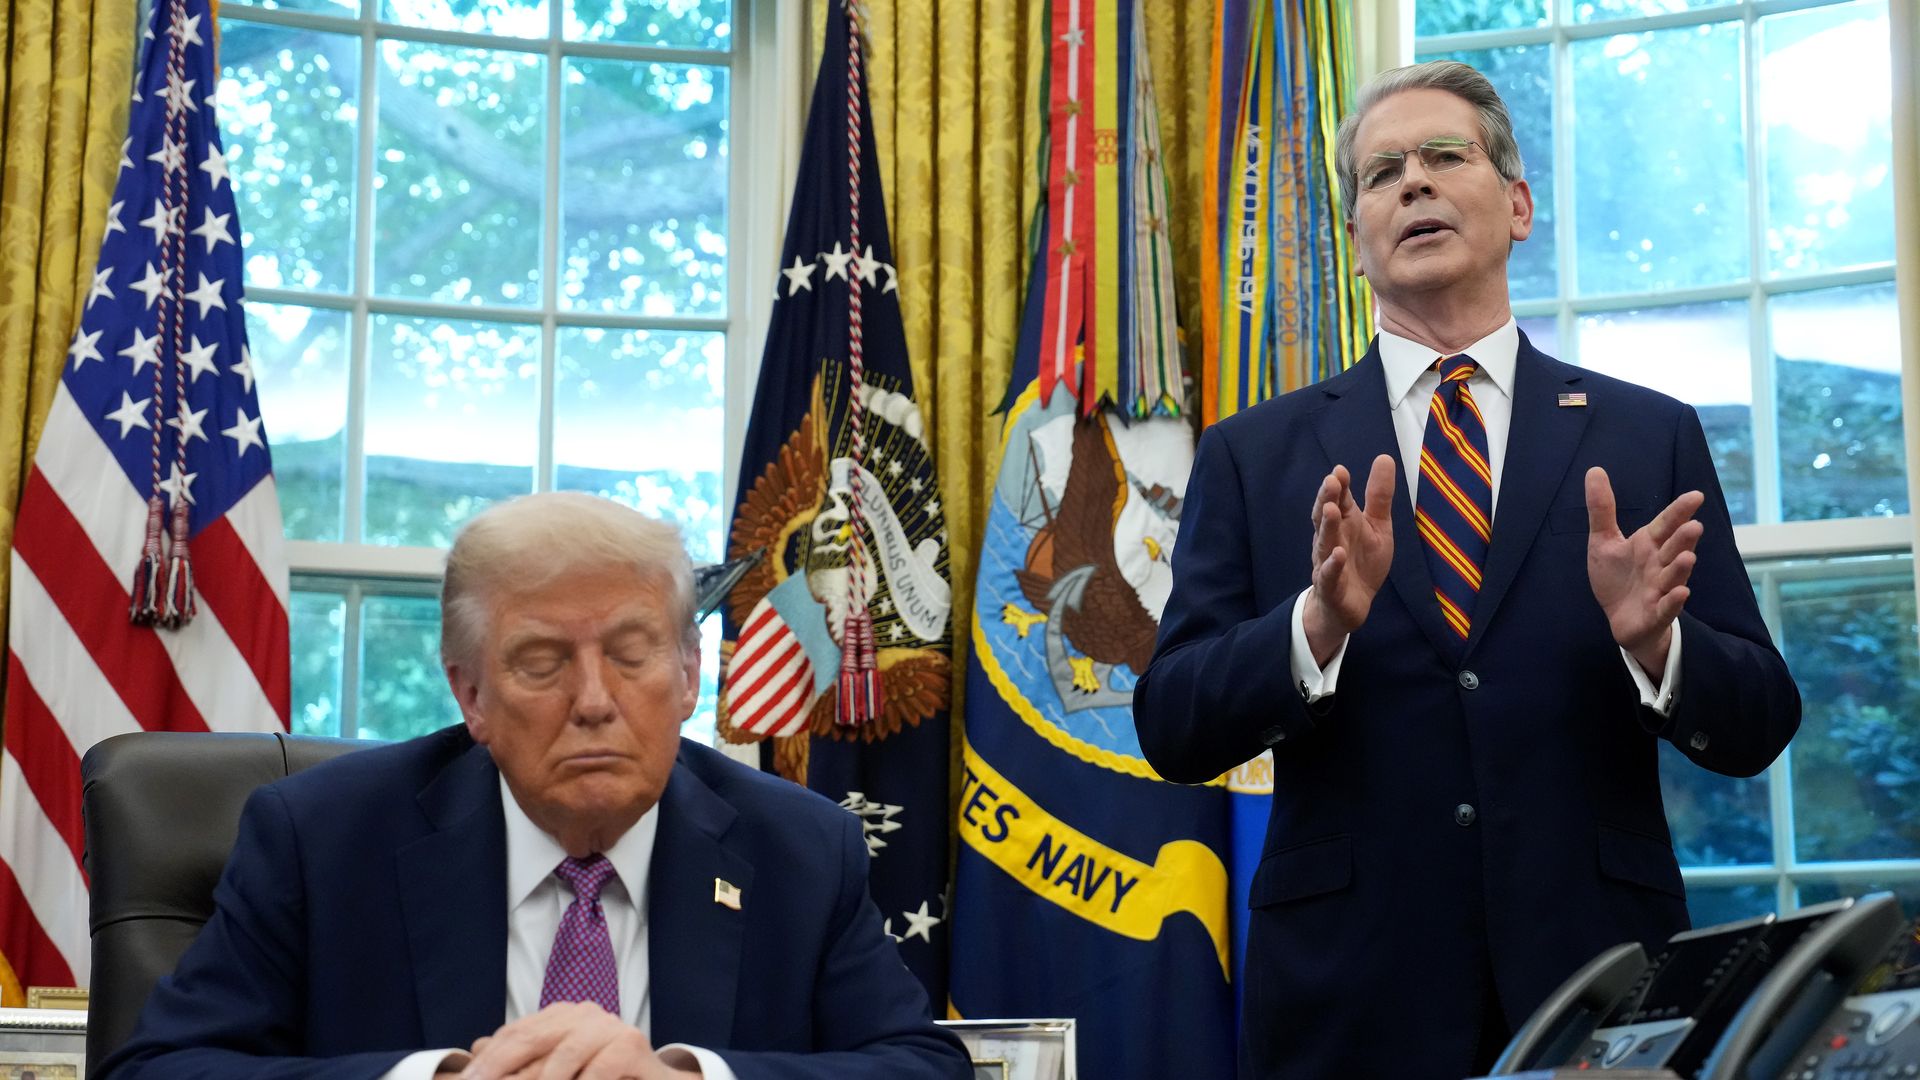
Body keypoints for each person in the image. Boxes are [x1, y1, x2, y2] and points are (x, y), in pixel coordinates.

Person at [1134, 60, 1800, 1079]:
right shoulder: (1251, 454)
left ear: (1519, 204)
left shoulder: (1644, 433)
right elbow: (1173, 724)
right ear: (1357, 237)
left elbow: (1759, 721)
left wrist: (1658, 643)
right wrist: (1314, 628)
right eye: (1380, 172)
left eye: (1447, 157)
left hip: (1601, 988)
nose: (1413, 183)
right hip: (1348, 1003)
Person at [100, 492, 972, 1080]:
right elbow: (160, 1069)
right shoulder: (321, 837)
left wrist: (687, 1077)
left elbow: (921, 1066)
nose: (594, 702)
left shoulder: (799, 849)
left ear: (689, 674)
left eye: (631, 656)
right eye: (542, 663)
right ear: (470, 695)